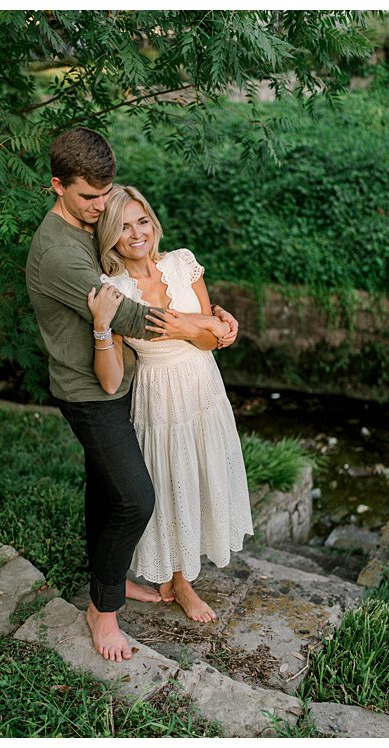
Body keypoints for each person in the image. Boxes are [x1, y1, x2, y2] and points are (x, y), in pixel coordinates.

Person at [26, 128, 238, 661]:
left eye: (107, 195)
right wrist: (205, 325)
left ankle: (112, 583)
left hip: (129, 384)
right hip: (91, 391)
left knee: (104, 491)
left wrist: (212, 324)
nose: (100, 208)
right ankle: (103, 613)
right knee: (136, 498)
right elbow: (128, 317)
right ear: (58, 187)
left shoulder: (89, 225)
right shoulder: (58, 254)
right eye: (89, 198)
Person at [87, 184, 253, 623]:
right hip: (159, 395)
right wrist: (102, 327)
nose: (135, 233)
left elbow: (212, 340)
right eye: (122, 226)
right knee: (171, 483)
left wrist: (189, 327)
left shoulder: (182, 263)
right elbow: (110, 380)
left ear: (152, 223)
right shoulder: (114, 288)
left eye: (141, 221)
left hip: (202, 387)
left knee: (199, 476)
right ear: (110, 235)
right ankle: (179, 582)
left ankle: (181, 575)